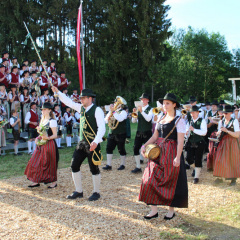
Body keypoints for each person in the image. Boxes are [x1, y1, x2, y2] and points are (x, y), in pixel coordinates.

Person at [52, 86, 105, 201]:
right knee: (74, 165)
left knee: (94, 168)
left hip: (92, 144)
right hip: (82, 143)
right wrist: (58, 92)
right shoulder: (81, 108)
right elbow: (69, 102)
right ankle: (78, 191)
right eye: (81, 98)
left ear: (90, 98)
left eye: (83, 98)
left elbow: (102, 128)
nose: (81, 100)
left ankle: (96, 192)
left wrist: (95, 142)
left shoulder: (97, 110)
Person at [139, 93, 188, 220]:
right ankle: (154, 211)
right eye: (164, 103)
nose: (164, 106)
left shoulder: (179, 120)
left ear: (174, 105)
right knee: (149, 178)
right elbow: (155, 137)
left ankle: (171, 211)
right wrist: (144, 146)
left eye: (168, 103)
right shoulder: (160, 117)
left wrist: (177, 157)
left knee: (171, 180)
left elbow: (180, 141)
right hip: (157, 152)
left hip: (171, 153)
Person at [24, 102, 59, 188]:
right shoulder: (42, 120)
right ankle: (36, 180)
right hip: (41, 144)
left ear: (49, 110)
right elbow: (41, 133)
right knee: (35, 161)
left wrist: (47, 138)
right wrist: (37, 138)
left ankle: (53, 182)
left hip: (49, 144)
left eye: (44, 109)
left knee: (49, 162)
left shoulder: (52, 121)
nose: (42, 111)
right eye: (42, 109)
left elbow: (55, 135)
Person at [213, 105, 240, 186]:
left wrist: (227, 131)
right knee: (220, 158)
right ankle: (220, 177)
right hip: (223, 142)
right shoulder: (221, 121)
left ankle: (233, 179)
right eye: (224, 113)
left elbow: (237, 135)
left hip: (232, 142)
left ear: (231, 113)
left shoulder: (234, 121)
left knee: (232, 160)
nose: (225, 114)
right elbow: (219, 131)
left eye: (226, 113)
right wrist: (218, 133)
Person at [103, 96, 128, 171]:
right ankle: (108, 164)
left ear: (120, 105)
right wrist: (108, 117)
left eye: (116, 103)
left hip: (120, 133)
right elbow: (105, 121)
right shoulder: (111, 111)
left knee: (121, 149)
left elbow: (120, 119)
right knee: (109, 148)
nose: (115, 104)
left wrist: (113, 112)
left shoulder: (123, 112)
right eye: (114, 102)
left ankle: (122, 164)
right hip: (111, 133)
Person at [131, 93, 153, 173]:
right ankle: (138, 167)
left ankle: (150, 167)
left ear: (147, 100)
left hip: (147, 132)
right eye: (141, 99)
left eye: (144, 99)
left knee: (148, 150)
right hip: (139, 132)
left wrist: (141, 111)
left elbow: (148, 119)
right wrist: (135, 114)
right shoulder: (139, 109)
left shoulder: (150, 109)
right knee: (136, 148)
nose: (142, 101)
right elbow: (133, 121)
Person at [185, 106, 207, 184]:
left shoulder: (202, 121)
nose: (192, 114)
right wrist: (186, 133)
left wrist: (194, 130)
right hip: (191, 142)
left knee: (198, 159)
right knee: (188, 158)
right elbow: (186, 130)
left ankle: (196, 177)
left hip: (199, 142)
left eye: (194, 112)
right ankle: (196, 168)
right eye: (191, 113)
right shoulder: (190, 121)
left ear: (198, 113)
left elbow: (204, 132)